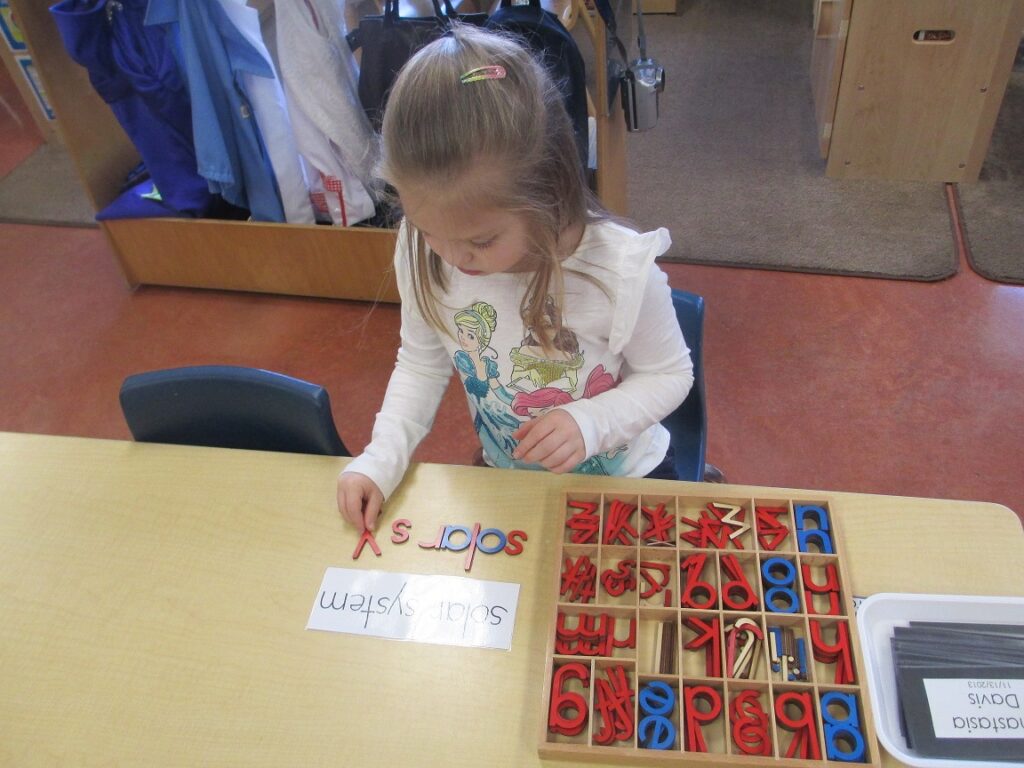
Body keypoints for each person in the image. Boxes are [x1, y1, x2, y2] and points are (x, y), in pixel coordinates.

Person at [337, 24, 694, 531]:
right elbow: (420, 365)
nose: (452, 256)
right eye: (427, 228)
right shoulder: (421, 247)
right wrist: (380, 458)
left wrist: (591, 423)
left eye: (481, 241)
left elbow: (671, 375)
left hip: (627, 480)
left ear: (548, 193)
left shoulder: (619, 269)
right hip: (510, 478)